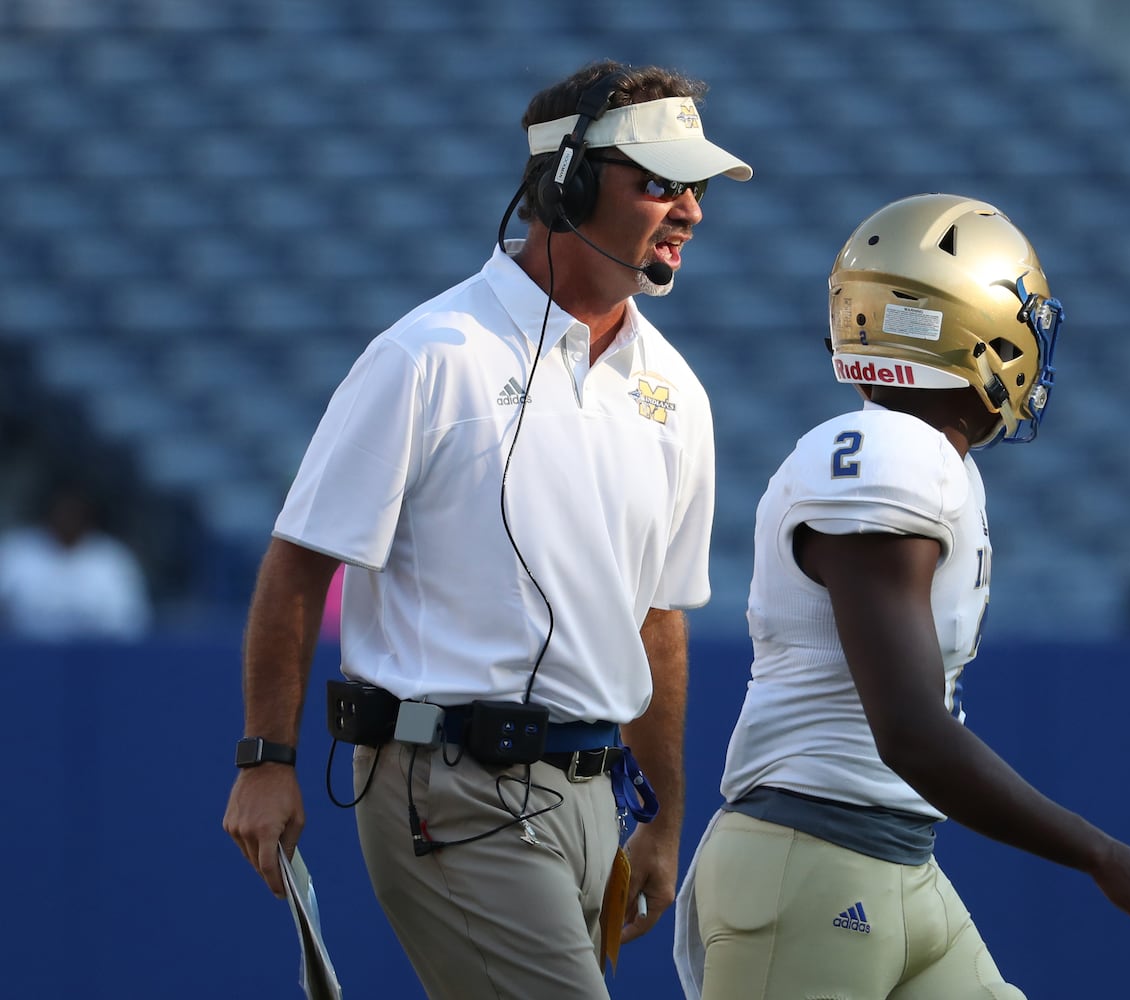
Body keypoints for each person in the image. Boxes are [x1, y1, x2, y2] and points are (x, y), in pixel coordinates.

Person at [222, 59, 751, 1000]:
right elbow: (300, 563)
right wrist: (267, 759)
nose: (692, 211)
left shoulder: (679, 395)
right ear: (567, 185)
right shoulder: (426, 355)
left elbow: (658, 619)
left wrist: (665, 816)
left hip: (594, 799)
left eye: (697, 187)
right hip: (448, 787)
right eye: (662, 183)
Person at [673, 193, 1130, 1000]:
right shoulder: (890, 452)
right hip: (813, 863)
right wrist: (1101, 853)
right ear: (977, 326)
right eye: (1022, 314)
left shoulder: (921, 456)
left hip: (891, 860)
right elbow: (911, 732)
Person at [0, 477, 151, 641]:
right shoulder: (15, 552)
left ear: (89, 517)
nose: (68, 519)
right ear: (48, 513)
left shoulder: (113, 560)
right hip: (23, 657)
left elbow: (132, 624)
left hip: (95, 659)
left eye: (75, 513)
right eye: (62, 511)